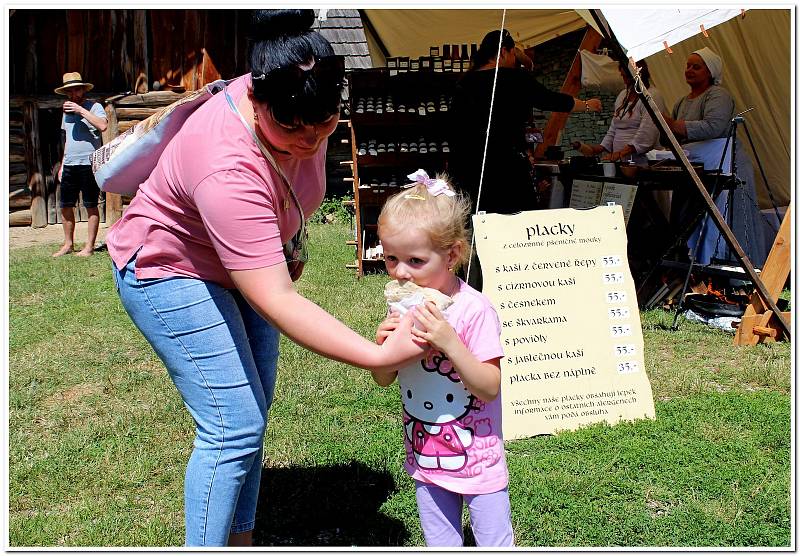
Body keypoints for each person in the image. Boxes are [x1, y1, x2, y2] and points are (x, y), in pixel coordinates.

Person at [106, 10, 424, 547]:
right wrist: (375, 357)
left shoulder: (303, 98)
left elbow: (293, 189)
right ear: (255, 98)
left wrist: (286, 237)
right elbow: (276, 298)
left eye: (323, 124)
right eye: (290, 127)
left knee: (253, 410)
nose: (308, 139)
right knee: (233, 425)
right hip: (167, 266)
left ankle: (242, 538)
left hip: (236, 262)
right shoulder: (226, 164)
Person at [370, 170, 512, 547]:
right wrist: (381, 350)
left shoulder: (474, 310)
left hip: (478, 459)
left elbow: (489, 387)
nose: (401, 273)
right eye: (391, 259)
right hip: (426, 457)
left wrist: (450, 343)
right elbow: (384, 379)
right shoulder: (404, 310)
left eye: (415, 261)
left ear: (452, 255)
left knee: (494, 543)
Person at [449, 28, 602, 216]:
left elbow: (453, 130)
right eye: (513, 54)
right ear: (504, 52)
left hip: (468, 169)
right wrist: (586, 105)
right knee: (517, 224)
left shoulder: (464, 83)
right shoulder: (514, 79)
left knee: (481, 228)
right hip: (506, 168)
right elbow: (550, 99)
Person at [662, 47, 767, 267]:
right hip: (696, 167)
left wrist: (674, 126)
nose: (689, 70)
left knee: (726, 221)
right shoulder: (681, 102)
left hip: (725, 166)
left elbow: (714, 127)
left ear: (710, 72)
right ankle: (694, 267)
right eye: (688, 65)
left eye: (696, 66)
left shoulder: (718, 95)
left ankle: (736, 275)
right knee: (694, 218)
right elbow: (673, 133)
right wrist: (666, 133)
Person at [53, 72, 108, 257]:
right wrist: (62, 164)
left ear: (83, 89)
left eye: (76, 89)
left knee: (91, 204)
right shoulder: (66, 111)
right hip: (70, 164)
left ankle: (89, 247)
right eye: (69, 91)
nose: (72, 93)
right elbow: (67, 139)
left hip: (89, 163)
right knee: (66, 205)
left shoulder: (95, 106)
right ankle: (68, 244)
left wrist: (81, 110)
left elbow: (102, 126)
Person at [571, 59, 666, 166]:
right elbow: (614, 128)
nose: (623, 78)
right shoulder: (622, 95)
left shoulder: (652, 96)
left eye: (625, 76)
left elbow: (647, 134)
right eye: (623, 76)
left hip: (643, 163)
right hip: (622, 162)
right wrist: (599, 148)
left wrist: (620, 153)